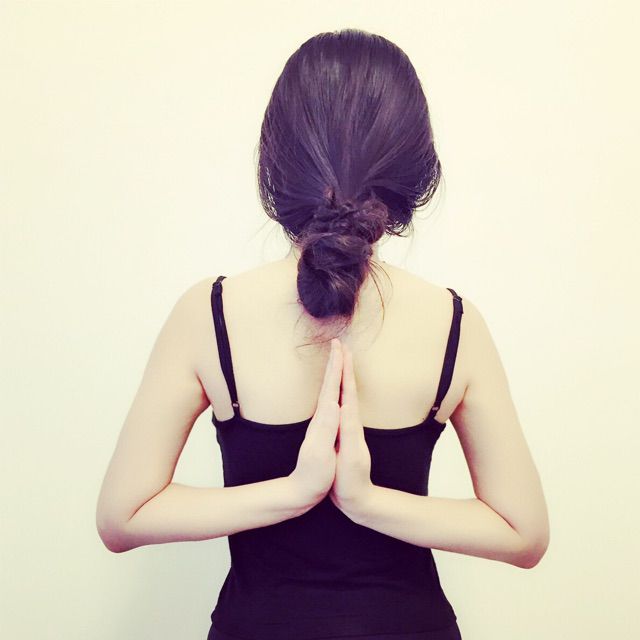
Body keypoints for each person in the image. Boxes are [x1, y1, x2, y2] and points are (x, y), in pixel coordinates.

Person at [96, 28, 549, 640]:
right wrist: (362, 500)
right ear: (414, 168)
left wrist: (297, 492)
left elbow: (123, 517)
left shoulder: (210, 311)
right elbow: (523, 533)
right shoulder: (455, 321)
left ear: (276, 163)